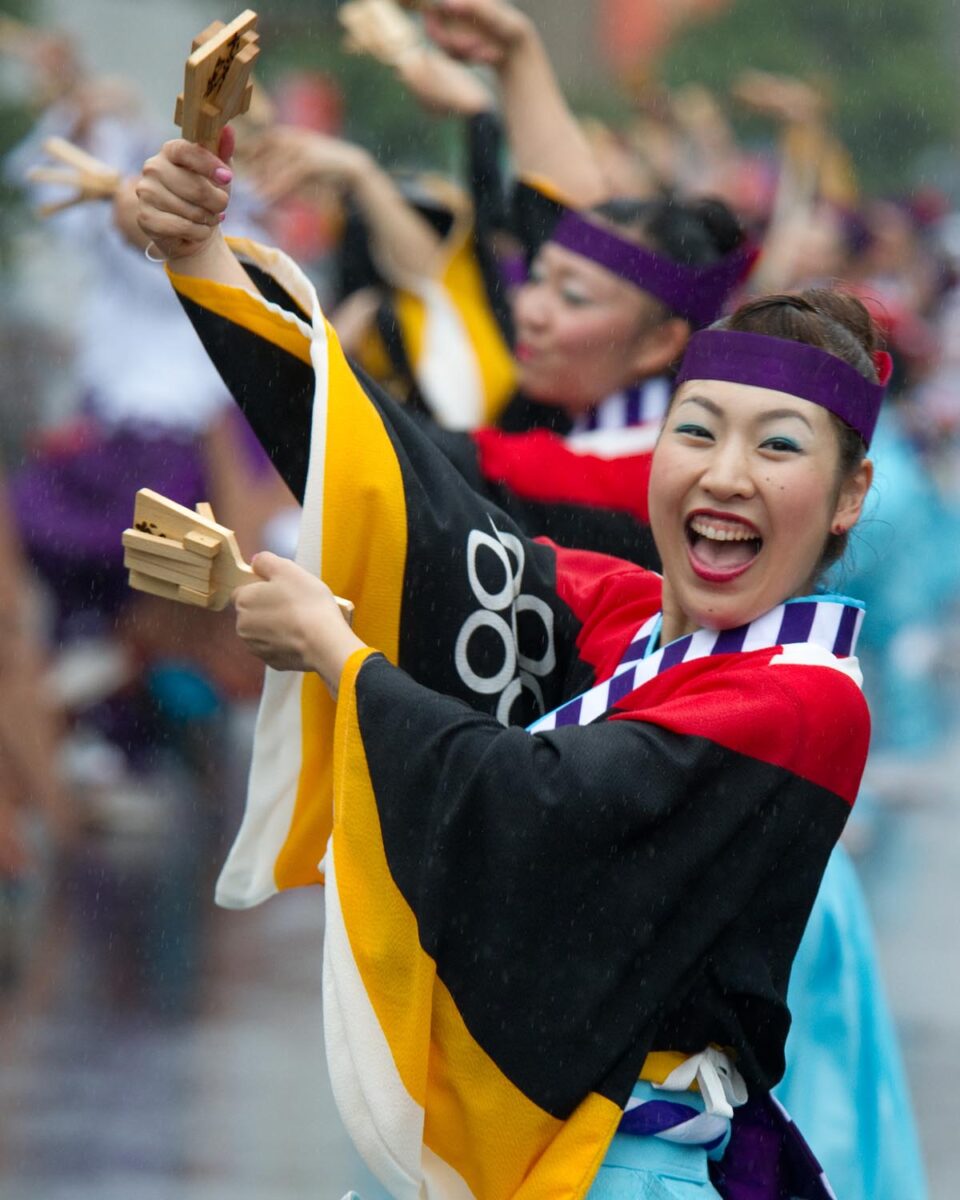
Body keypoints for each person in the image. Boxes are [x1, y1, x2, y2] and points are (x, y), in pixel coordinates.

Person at [137, 135, 882, 1199]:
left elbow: (534, 800)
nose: (725, 474)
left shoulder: (808, 698)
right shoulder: (632, 622)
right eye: (699, 430)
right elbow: (411, 507)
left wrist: (341, 656)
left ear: (848, 496)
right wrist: (204, 263)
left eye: (778, 448)